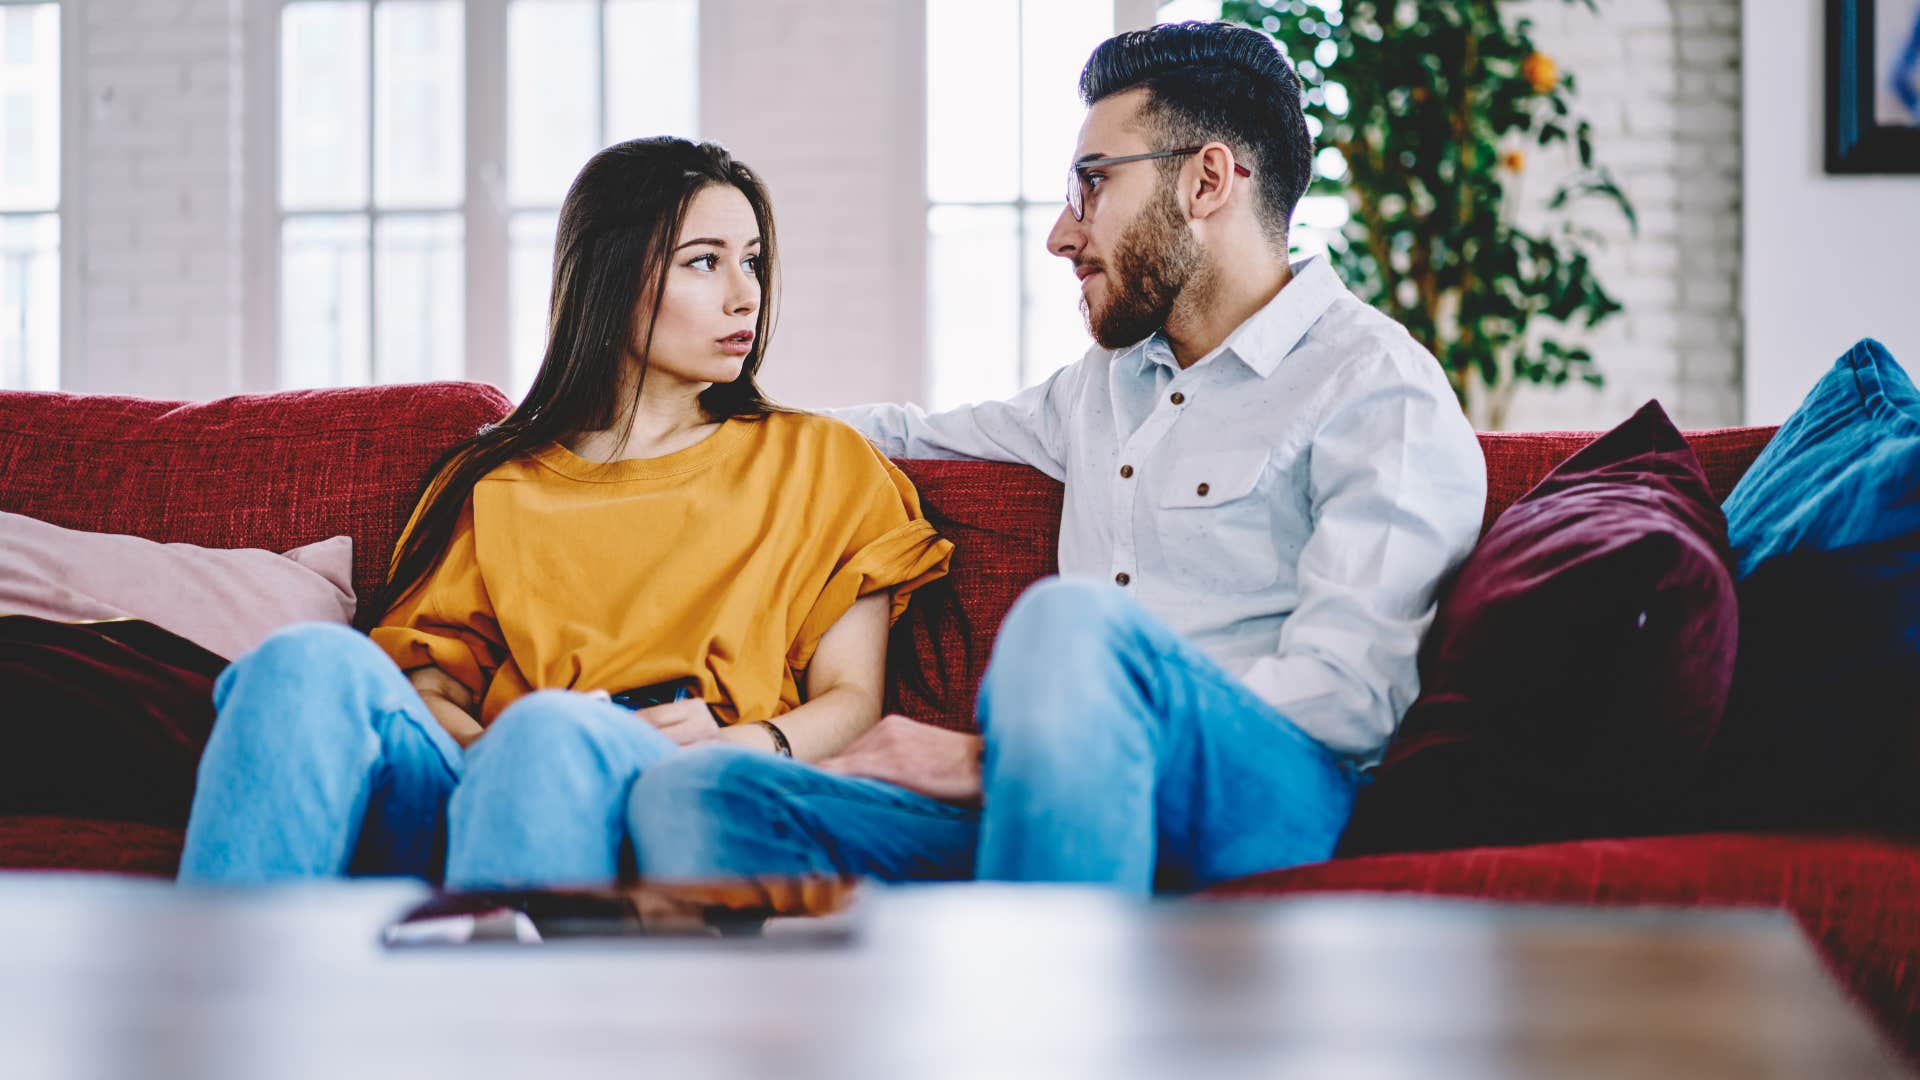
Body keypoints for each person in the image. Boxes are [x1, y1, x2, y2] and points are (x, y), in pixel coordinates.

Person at [624, 22, 1488, 894]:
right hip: (1048, 795)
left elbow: (1348, 699)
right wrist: (659, 421)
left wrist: (1005, 754)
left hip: (1272, 799)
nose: (1063, 237)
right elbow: (901, 434)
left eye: (1092, 184)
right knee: (699, 794)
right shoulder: (1105, 387)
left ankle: (1049, 1011)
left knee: (1069, 625)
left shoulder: (1376, 386)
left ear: (1208, 180)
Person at [178, 138, 952, 887]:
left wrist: (744, 743)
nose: (744, 294)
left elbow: (854, 699)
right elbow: (433, 686)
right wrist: (491, 756)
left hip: (661, 785)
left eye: (751, 261)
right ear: (611, 279)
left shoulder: (821, 462)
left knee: (551, 729)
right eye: (705, 262)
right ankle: (218, 1002)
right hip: (478, 785)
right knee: (300, 661)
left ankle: (510, 1005)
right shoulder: (503, 481)